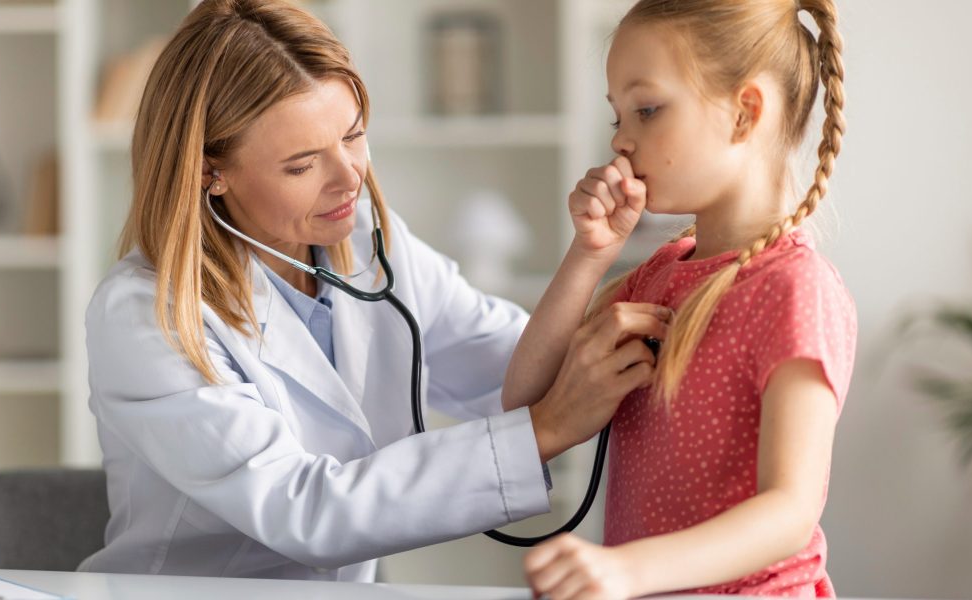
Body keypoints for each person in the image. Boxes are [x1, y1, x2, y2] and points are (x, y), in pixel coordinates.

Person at [77, 0, 667, 582]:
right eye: (303, 164)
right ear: (210, 172)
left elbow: (517, 366)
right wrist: (544, 432)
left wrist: (591, 256)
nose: (350, 177)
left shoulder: (373, 247)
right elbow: (306, 510)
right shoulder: (145, 315)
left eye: (353, 136)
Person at [507, 0, 857, 597]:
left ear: (745, 114)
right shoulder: (662, 273)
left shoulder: (794, 288)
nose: (620, 139)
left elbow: (790, 510)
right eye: (618, 114)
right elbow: (527, 399)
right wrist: (589, 254)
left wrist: (626, 569)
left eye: (646, 109)